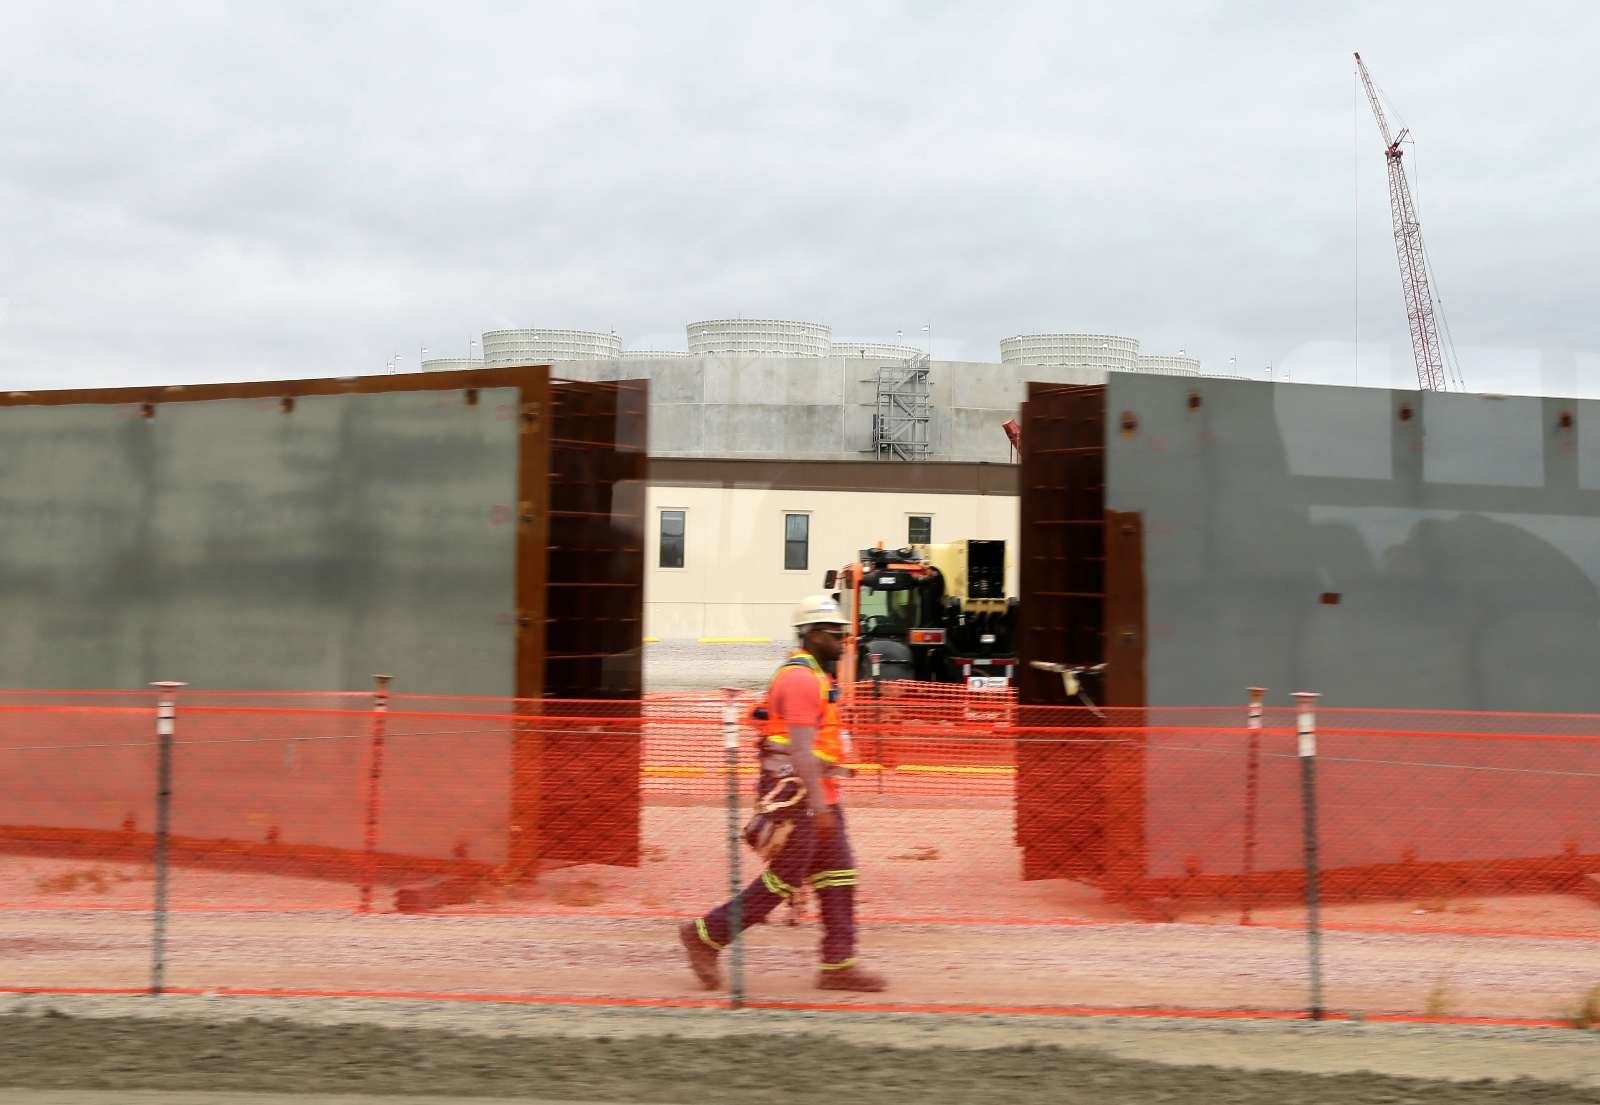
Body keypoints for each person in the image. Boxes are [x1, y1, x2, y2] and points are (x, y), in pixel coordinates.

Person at [679, 594, 888, 993]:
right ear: (809, 635)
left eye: (843, 633)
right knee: (784, 880)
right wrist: (818, 805)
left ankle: (838, 965)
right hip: (799, 796)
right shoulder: (798, 680)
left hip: (816, 792)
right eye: (833, 634)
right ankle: (705, 936)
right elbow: (800, 750)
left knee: (840, 874)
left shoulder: (817, 678)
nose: (842, 641)